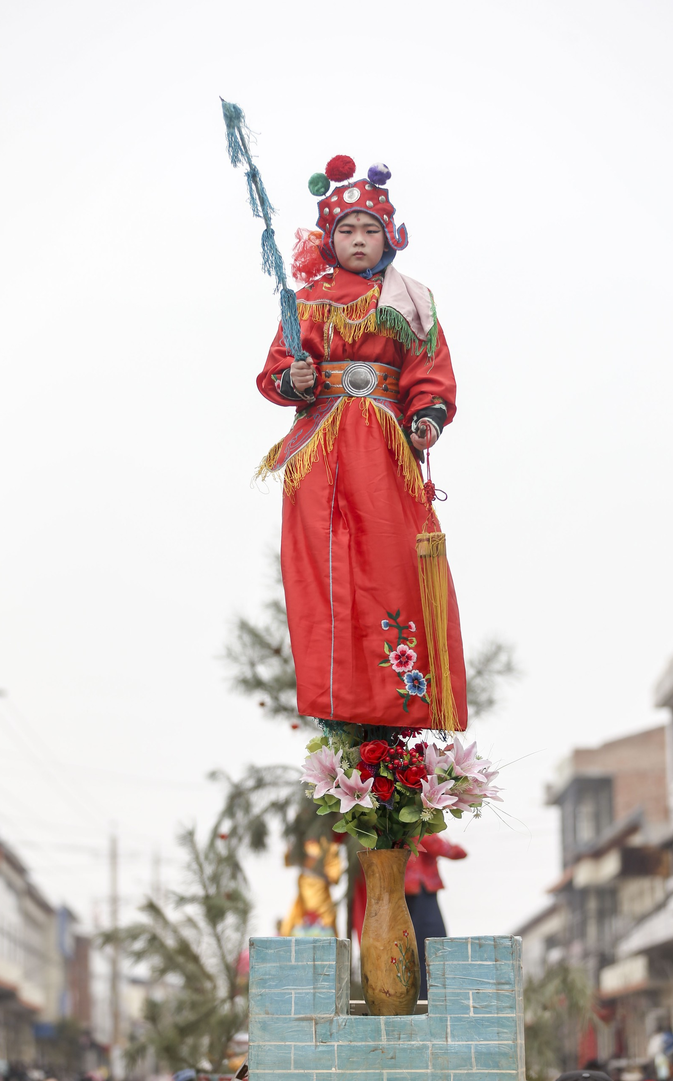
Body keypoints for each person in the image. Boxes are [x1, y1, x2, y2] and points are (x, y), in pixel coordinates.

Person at [257, 156, 467, 732]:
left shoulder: (411, 300)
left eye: (369, 230)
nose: (357, 240)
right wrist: (294, 379)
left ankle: (397, 699)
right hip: (321, 449)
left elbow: (430, 372)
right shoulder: (304, 299)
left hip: (383, 451)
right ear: (330, 238)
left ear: (388, 239)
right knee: (324, 570)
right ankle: (339, 702)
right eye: (346, 230)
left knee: (390, 565)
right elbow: (277, 372)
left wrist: (426, 419)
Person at [405, 833, 467, 998]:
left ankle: (419, 995)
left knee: (413, 948)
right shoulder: (419, 828)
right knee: (432, 947)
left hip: (405, 890)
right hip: (421, 890)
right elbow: (455, 852)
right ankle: (430, 995)